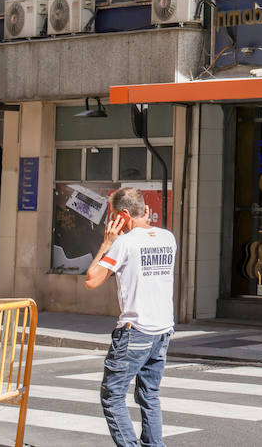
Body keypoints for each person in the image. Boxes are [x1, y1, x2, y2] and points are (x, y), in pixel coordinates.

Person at [85, 188, 178, 447]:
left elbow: (92, 280)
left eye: (113, 216)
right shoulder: (167, 238)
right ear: (144, 210)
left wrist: (106, 243)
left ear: (124, 215)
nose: (111, 222)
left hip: (135, 330)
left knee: (112, 396)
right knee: (149, 395)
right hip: (162, 331)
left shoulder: (124, 243)